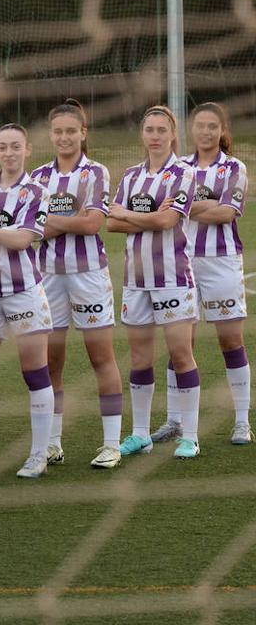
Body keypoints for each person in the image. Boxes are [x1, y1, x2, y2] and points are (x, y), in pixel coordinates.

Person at [31, 100, 124, 469]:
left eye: (72, 130)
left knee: (101, 357)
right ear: (51, 135)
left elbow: (92, 225)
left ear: (83, 133)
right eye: (58, 131)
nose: (65, 137)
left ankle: (112, 444)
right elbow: (32, 229)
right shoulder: (37, 177)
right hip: (47, 277)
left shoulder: (96, 173)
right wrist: (66, 219)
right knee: (50, 360)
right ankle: (52, 443)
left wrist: (49, 220)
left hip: (88, 276)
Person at [108, 106, 201, 460]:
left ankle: (190, 436)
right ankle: (141, 435)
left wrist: (129, 214)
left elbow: (166, 222)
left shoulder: (184, 173)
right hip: (135, 280)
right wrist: (147, 217)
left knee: (181, 355)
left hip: (173, 279)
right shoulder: (130, 176)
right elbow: (111, 224)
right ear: (142, 134)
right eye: (150, 129)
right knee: (139, 358)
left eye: (162, 129)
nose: (156, 135)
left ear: (172, 134)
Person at [157, 102, 250, 445]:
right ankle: (174, 421)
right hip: (179, 262)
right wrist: (206, 205)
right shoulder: (179, 168)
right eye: (200, 126)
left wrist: (187, 208)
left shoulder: (234, 168)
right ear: (191, 130)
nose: (206, 132)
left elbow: (228, 213)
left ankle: (241, 421)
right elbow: (166, 208)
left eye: (213, 126)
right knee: (180, 343)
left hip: (221, 261)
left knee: (231, 341)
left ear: (223, 130)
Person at [0, 124, 55, 479]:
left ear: (27, 150)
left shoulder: (37, 191)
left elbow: (22, 241)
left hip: (24, 292)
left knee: (35, 372)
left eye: (15, 146)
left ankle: (38, 454)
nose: (9, 153)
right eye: (3, 147)